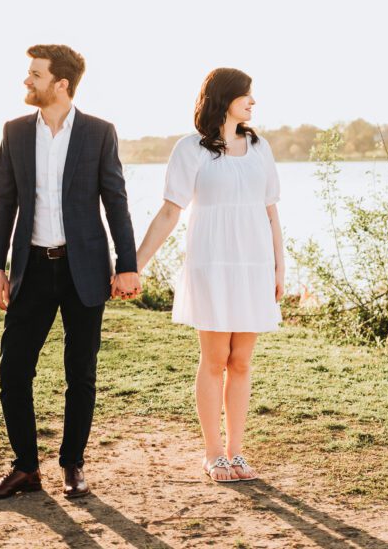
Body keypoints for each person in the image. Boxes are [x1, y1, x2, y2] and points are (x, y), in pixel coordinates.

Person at [0, 44, 141, 499]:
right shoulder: (14, 132)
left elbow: (116, 203)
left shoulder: (99, 132)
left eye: (35, 74)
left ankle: (72, 464)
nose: (27, 80)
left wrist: (127, 266)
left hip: (83, 269)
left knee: (80, 372)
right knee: (13, 369)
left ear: (61, 83)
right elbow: (3, 203)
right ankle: (25, 468)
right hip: (31, 268)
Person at [135, 67, 284, 483]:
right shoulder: (191, 148)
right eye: (246, 95)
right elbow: (170, 211)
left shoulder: (259, 148)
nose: (253, 102)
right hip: (212, 264)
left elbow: (271, 212)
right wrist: (134, 264)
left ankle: (236, 451)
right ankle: (213, 453)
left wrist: (279, 267)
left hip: (254, 266)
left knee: (242, 362)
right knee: (215, 359)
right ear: (224, 97)